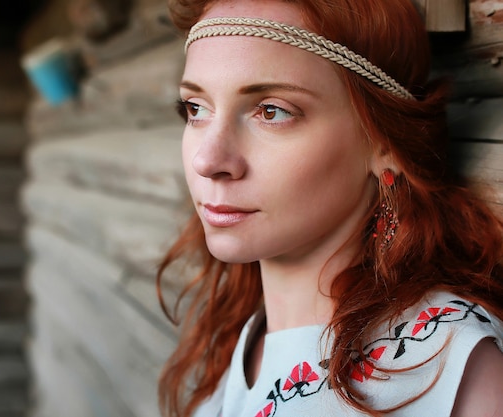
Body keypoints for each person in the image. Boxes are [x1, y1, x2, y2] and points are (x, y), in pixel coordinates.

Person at [156, 0, 503, 416]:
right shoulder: (236, 342)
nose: (208, 161)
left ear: (384, 143)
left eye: (272, 111)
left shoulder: (444, 368)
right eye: (196, 109)